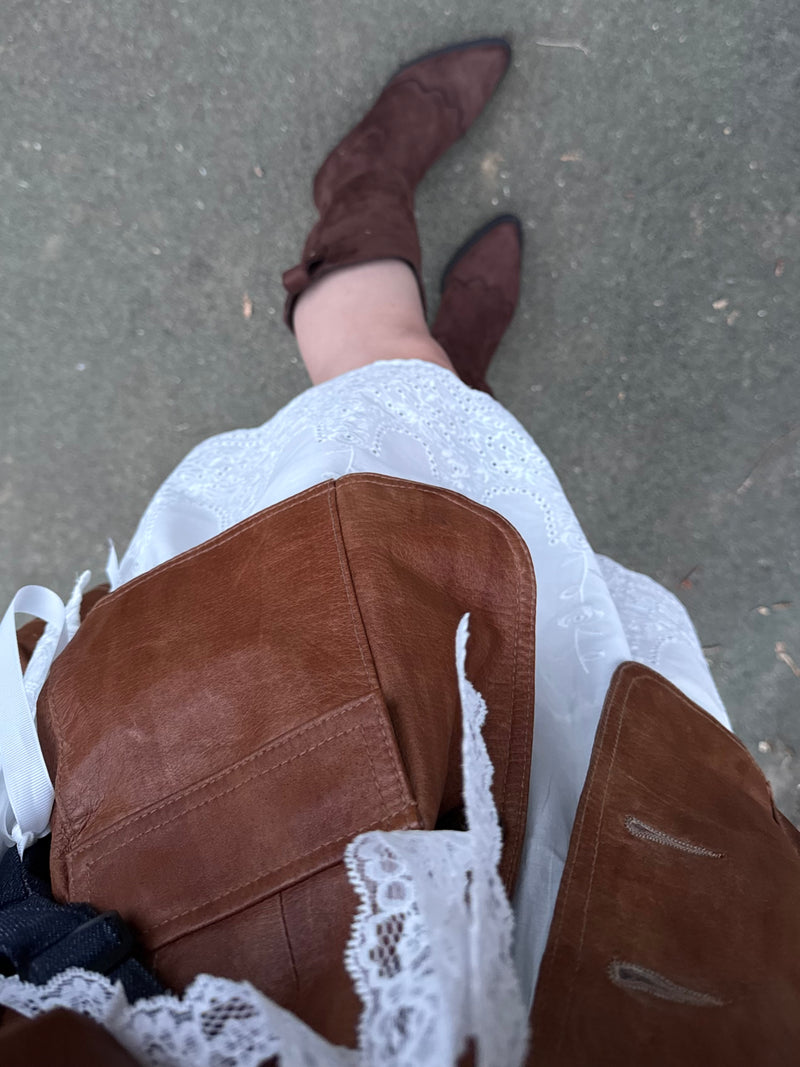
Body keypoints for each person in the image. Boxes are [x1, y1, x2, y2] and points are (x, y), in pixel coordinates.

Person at [1, 38, 798, 1067]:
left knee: (410, 517)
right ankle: (440, 391)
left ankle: (364, 253)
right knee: (553, 642)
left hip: (165, 899)